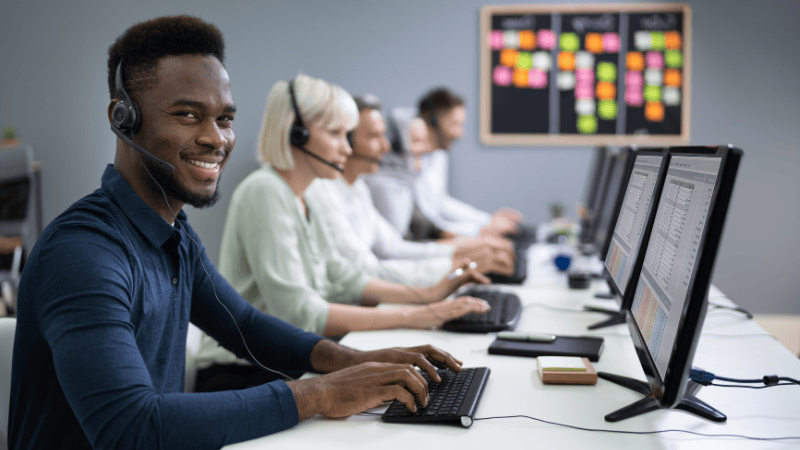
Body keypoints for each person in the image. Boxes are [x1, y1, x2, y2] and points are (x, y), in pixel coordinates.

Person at [8, 16, 474, 450]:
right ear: (123, 118)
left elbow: (244, 326)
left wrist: (359, 362)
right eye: (188, 115)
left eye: (225, 118)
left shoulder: (174, 234)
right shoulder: (84, 253)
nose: (217, 138)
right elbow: (129, 426)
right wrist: (318, 395)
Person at [192, 74, 491, 385]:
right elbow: (300, 313)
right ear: (297, 133)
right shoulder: (264, 192)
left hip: (288, 360)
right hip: (240, 372)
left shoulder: (309, 192)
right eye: (336, 134)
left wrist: (427, 296)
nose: (346, 149)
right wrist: (415, 315)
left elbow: (345, 277)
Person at [308, 93, 515, 287]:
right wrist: (458, 263)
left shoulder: (358, 187)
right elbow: (372, 268)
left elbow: (393, 246)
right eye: (374, 136)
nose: (386, 146)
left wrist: (463, 252)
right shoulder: (344, 191)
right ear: (348, 142)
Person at [364, 88, 522, 240]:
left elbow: (439, 203)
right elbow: (427, 223)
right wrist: (480, 229)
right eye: (455, 124)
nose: (461, 133)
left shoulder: (439, 155)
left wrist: (487, 221)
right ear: (433, 122)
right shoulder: (397, 169)